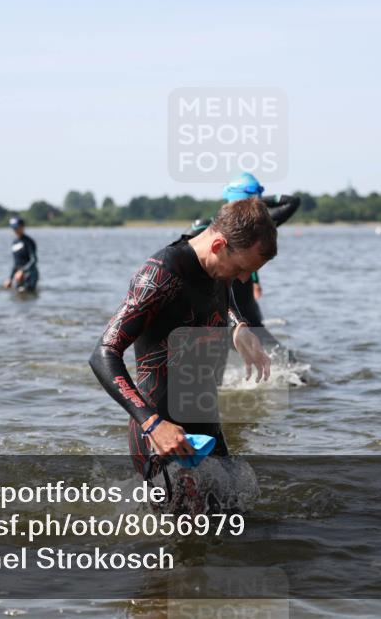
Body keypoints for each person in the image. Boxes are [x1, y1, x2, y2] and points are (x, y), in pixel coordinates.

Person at [90, 198, 275, 491]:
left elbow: (222, 292)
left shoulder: (217, 266)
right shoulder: (161, 275)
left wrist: (238, 325)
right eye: (241, 268)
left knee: (234, 528)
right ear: (218, 245)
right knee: (181, 533)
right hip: (161, 434)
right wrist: (152, 424)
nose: (243, 279)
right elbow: (103, 354)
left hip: (205, 424)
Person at [191, 173, 300, 350]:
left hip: (246, 307)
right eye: (248, 202)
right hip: (218, 308)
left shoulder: (258, 227)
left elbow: (292, 202)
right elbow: (180, 258)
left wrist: (255, 203)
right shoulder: (206, 229)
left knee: (285, 360)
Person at [2, 217, 39, 292]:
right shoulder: (14, 242)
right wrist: (10, 278)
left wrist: (22, 271)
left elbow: (34, 260)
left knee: (27, 295)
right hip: (18, 275)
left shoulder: (29, 242)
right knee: (18, 297)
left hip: (30, 274)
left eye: (16, 227)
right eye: (13, 228)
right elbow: (16, 263)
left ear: (22, 227)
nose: (15, 230)